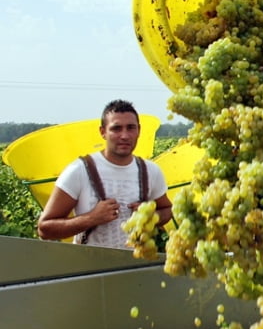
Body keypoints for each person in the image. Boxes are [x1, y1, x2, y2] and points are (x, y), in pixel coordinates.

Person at [38, 99, 172, 248]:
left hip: (135, 267)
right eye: (116, 128)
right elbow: (45, 228)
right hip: (91, 268)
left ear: (139, 131)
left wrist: (151, 216)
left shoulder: (150, 171)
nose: (125, 135)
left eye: (130, 128)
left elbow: (167, 210)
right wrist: (91, 218)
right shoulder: (79, 170)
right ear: (103, 132)